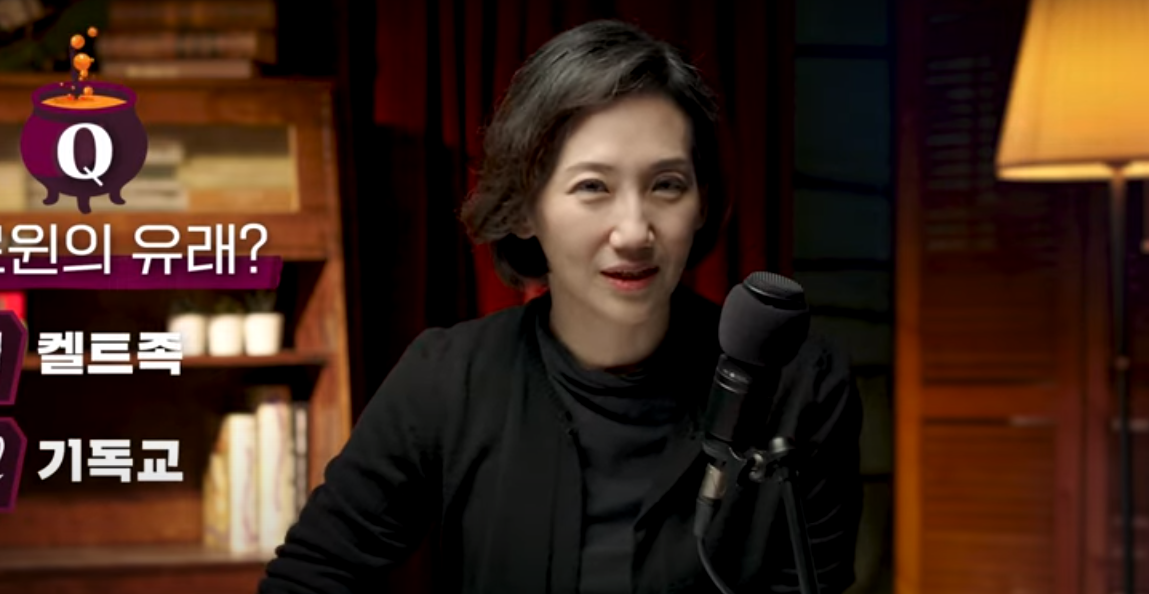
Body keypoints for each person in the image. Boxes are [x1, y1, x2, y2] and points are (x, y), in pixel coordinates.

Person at [259, 19, 862, 594]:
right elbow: (311, 576)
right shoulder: (447, 379)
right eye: (592, 187)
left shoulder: (800, 386)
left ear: (701, 203)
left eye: (667, 184)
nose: (634, 232)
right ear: (525, 209)